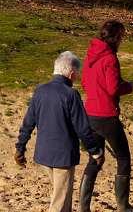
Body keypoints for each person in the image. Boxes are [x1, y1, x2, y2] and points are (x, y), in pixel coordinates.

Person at [16, 51, 103, 212]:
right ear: (71, 73)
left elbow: (28, 122)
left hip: (43, 155)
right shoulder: (71, 94)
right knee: (59, 202)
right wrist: (95, 151)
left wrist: (20, 147)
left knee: (63, 197)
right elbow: (82, 128)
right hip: (63, 157)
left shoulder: (40, 91)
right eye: (76, 74)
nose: (76, 78)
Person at [80, 21, 133, 212]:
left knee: (95, 159)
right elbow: (113, 88)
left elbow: (84, 82)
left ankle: (84, 207)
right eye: (121, 37)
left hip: (90, 113)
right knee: (123, 158)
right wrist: (129, 86)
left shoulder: (91, 54)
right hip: (106, 115)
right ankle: (123, 206)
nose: (122, 40)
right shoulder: (110, 59)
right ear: (115, 37)